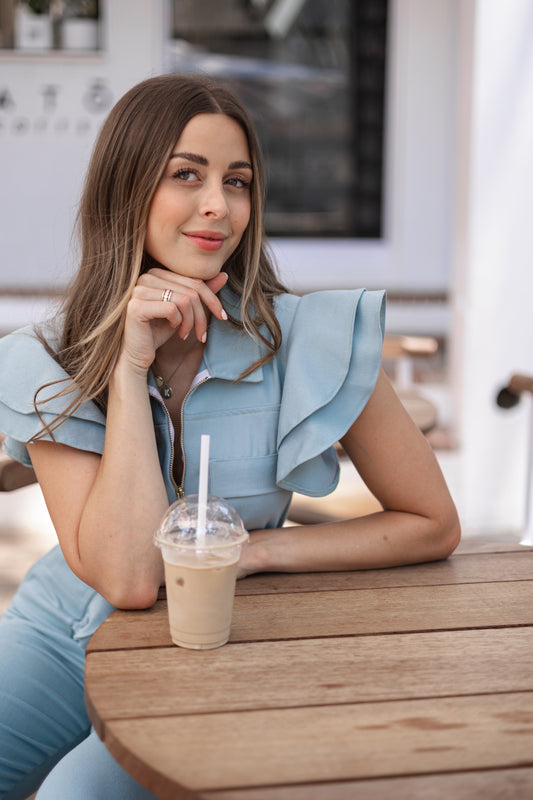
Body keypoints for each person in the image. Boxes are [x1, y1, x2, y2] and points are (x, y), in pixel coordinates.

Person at [0, 73, 460, 798]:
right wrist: (126, 366)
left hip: (212, 650)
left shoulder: (314, 338)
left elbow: (431, 523)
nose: (220, 206)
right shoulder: (46, 354)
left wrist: (252, 550)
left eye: (237, 182)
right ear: (128, 187)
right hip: (58, 639)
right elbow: (123, 576)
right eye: (187, 175)